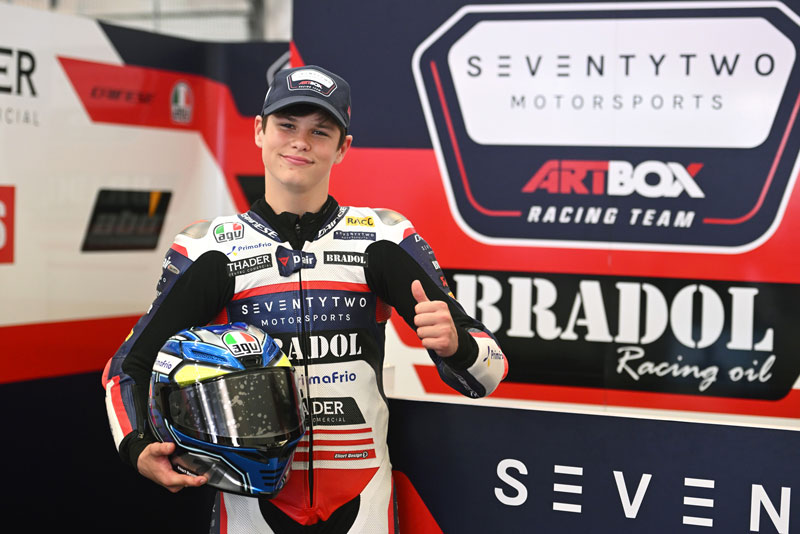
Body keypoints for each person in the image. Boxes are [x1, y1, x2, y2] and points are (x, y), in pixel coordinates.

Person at [102, 65, 507, 533]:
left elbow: (489, 372)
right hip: (251, 505)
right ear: (259, 130)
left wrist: (458, 346)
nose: (300, 142)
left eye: (320, 131)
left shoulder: (383, 238)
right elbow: (127, 367)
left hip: (364, 502)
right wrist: (136, 446)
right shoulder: (210, 250)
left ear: (342, 148)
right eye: (287, 125)